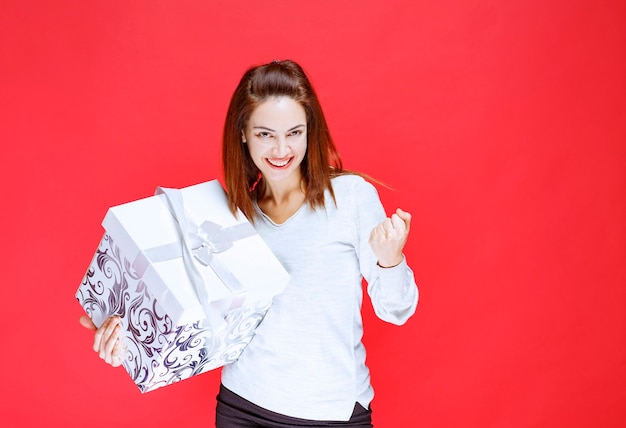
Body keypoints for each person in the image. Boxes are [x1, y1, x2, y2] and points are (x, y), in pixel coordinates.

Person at [80, 59, 418, 427]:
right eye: (265, 134)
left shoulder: (350, 197)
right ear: (243, 133)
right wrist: (128, 344)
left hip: (330, 413)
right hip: (243, 406)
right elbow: (199, 319)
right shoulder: (232, 218)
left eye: (294, 132)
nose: (281, 149)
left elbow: (396, 310)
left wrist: (390, 260)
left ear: (310, 130)